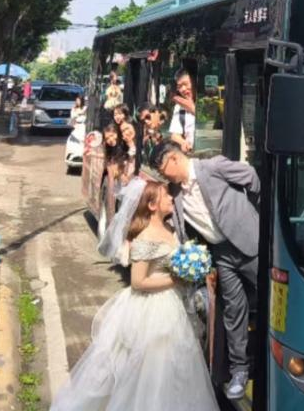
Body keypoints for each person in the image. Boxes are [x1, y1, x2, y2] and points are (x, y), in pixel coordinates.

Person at [52, 174, 220, 411]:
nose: (172, 199)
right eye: (166, 197)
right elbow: (138, 282)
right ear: (152, 205)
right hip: (151, 309)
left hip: (173, 304)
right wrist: (175, 279)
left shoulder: (170, 229)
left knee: (174, 367)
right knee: (151, 368)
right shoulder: (144, 238)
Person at [154, 141, 259, 400]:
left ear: (174, 159)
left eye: (162, 168)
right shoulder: (175, 194)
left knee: (274, 299)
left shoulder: (213, 166)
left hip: (251, 243)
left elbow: (252, 178)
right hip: (220, 253)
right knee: (234, 310)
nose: (163, 175)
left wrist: (254, 215)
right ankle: (239, 371)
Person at [169, 66, 197, 152]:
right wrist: (183, 142)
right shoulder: (179, 107)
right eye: (180, 86)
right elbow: (174, 134)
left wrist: (192, 108)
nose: (183, 89)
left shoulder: (208, 102)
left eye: (186, 84)